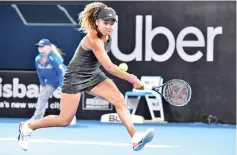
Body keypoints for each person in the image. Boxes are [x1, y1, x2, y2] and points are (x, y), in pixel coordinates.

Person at [18, 2, 154, 152]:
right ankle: (27, 128)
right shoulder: (93, 39)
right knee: (65, 120)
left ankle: (135, 137)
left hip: (93, 74)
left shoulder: (107, 37)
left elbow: (102, 64)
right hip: (74, 77)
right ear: (97, 22)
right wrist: (132, 79)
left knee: (119, 99)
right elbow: (109, 67)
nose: (108, 26)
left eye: (111, 23)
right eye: (105, 23)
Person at [27, 39, 77, 125]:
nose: (40, 49)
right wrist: (42, 85)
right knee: (42, 96)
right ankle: (36, 118)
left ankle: (71, 118)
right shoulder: (37, 59)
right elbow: (40, 73)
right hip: (52, 82)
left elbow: (61, 73)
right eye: (39, 47)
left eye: (43, 47)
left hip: (64, 79)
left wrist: (63, 87)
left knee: (66, 98)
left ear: (49, 48)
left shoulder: (54, 58)